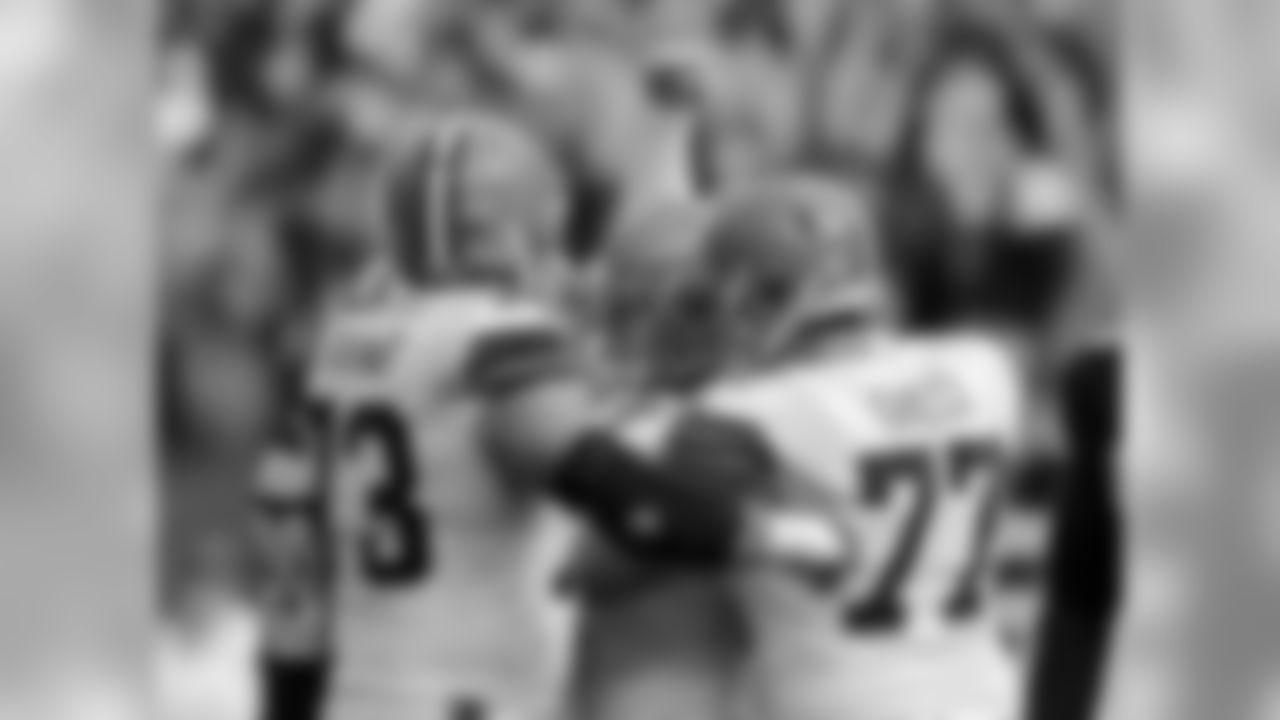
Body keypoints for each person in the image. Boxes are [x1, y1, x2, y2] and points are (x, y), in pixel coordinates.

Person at [262, 109, 849, 720]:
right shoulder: (497, 339)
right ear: (503, 234)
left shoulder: (339, 348)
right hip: (468, 701)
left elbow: (294, 584)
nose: (556, 254)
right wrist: (783, 535)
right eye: (544, 233)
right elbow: (619, 499)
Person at [650, 173, 1032, 720]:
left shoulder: (743, 417)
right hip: (986, 698)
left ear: (754, 299)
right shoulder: (984, 367)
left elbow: (620, 553)